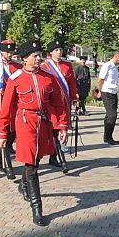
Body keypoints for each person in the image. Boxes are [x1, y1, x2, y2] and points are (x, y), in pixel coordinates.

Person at [0, 39, 68, 226]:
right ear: (24, 58)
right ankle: (37, 209)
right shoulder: (15, 79)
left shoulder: (48, 77)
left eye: (39, 55)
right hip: (25, 122)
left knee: (35, 159)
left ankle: (24, 183)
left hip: (43, 123)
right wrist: (3, 133)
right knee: (32, 164)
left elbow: (58, 104)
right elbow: (5, 109)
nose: (38, 58)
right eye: (34, 56)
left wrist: (62, 125)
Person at [41, 39, 77, 173]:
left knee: (62, 129)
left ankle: (54, 157)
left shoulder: (67, 65)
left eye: (60, 50)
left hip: (64, 103)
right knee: (55, 130)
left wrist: (74, 97)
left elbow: (71, 83)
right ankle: (62, 160)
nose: (59, 52)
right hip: (51, 103)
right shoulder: (45, 66)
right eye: (56, 50)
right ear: (50, 52)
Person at [0, 40, 22, 180]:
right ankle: (8, 167)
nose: (9, 55)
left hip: (14, 107)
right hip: (0, 105)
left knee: (10, 136)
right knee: (2, 134)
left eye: (11, 52)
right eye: (7, 52)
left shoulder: (17, 67)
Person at [96, 50, 119, 145]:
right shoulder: (107, 66)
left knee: (109, 115)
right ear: (116, 57)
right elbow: (100, 80)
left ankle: (107, 136)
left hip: (113, 92)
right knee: (112, 115)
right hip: (106, 92)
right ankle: (109, 137)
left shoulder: (116, 67)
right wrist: (99, 91)